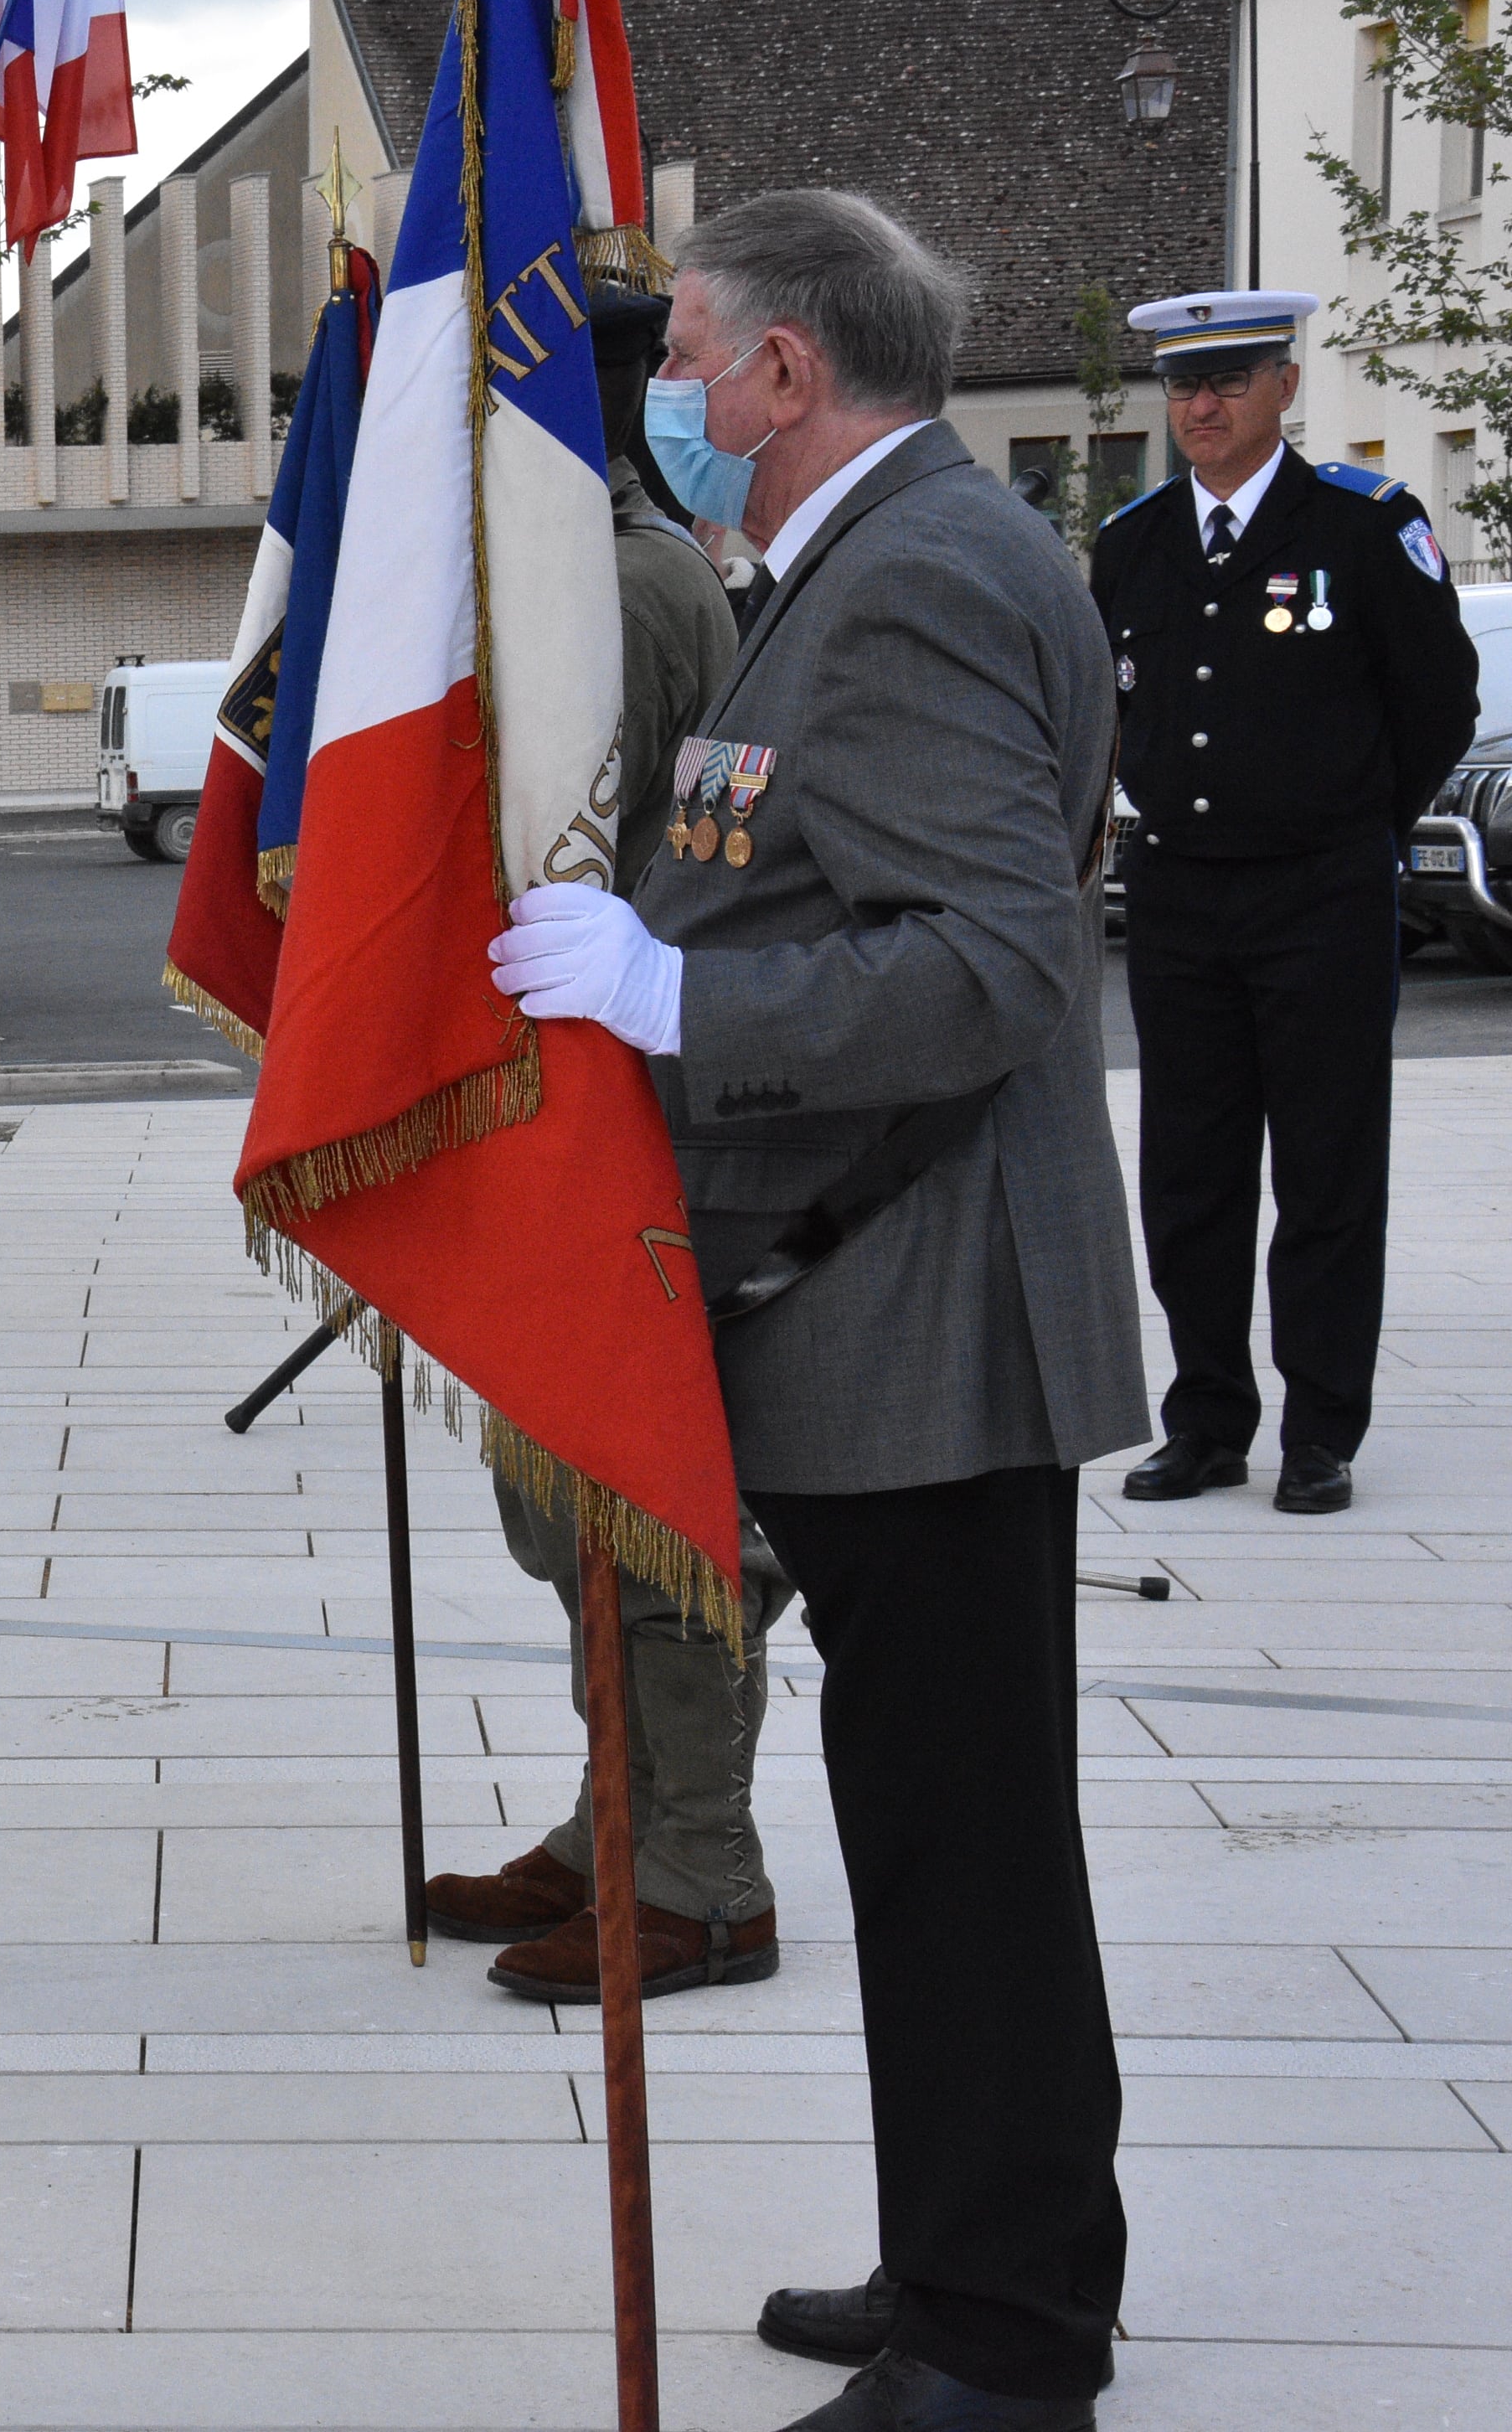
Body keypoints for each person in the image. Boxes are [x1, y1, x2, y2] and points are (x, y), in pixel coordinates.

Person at [488, 189, 1148, 2432]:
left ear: (785, 375)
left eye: (682, 350)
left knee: (961, 1837)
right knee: (954, 1820)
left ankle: (1003, 2344)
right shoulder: (880, 556)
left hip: (930, 1309)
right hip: (894, 1297)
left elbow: (992, 962)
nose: (661, 389)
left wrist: (674, 993)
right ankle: (1000, 2249)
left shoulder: (927, 575)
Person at [436, 283, 792, 2007]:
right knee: (559, 1504)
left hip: (625, 1116)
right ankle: (616, 1821)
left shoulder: (628, 588)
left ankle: (697, 1875)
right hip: (555, 1107)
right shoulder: (568, 575)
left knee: (644, 1504)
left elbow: (586, 858)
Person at [1094, 290, 1478, 1516]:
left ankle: (1320, 1430)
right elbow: (1117, 708)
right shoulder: (1138, 539)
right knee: (1191, 1170)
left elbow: (1437, 703)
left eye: (1228, 381)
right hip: (1180, 895)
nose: (1198, 407)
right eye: (1182, 385)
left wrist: (1353, 819)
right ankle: (1206, 1418)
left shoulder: (1365, 526)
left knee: (1325, 1167)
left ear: (1285, 389)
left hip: (1320, 893)